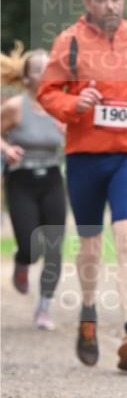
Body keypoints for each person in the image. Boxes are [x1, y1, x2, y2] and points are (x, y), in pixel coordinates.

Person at [37, 0, 127, 371]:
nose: (110, 5)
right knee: (90, 246)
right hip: (84, 157)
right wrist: (75, 103)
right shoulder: (69, 42)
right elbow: (47, 93)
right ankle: (88, 313)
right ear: (87, 1)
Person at [1, 44, 66, 330]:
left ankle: (44, 308)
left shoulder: (61, 106)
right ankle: (22, 259)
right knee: (31, 245)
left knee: (53, 247)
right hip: (21, 182)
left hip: (52, 180)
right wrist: (6, 149)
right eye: (41, 70)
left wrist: (70, 129)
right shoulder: (15, 107)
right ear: (28, 77)